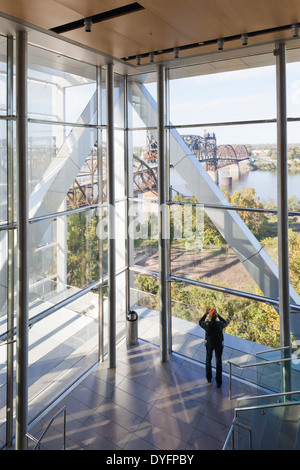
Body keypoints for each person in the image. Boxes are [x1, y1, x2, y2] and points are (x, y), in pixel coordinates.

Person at [199, 308, 227, 387]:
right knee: (218, 362)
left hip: (209, 344)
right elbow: (225, 322)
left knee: (208, 359)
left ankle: (209, 378)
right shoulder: (220, 324)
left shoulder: (207, 324)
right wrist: (219, 316)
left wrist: (205, 314)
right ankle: (219, 382)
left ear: (210, 316)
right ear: (216, 316)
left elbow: (200, 322)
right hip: (218, 344)